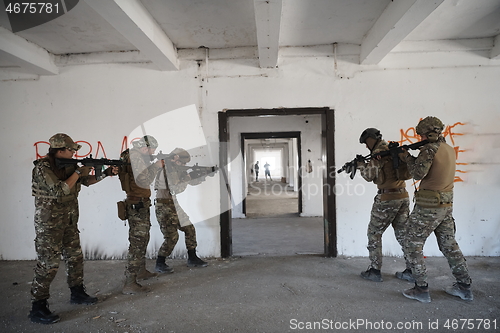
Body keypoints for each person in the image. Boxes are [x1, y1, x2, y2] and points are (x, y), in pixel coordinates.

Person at [30, 133, 118, 324]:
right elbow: (60, 189)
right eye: (70, 150)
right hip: (49, 225)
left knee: (75, 257)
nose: (73, 153)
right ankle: (38, 307)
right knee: (49, 264)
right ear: (59, 150)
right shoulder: (43, 168)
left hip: (69, 220)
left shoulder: (70, 166)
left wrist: (105, 173)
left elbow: (87, 182)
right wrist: (78, 172)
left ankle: (77, 293)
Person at [399, 116, 473, 303]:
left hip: (428, 207)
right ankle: (464, 287)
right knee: (449, 246)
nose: (420, 138)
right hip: (445, 206)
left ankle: (421, 289)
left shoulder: (429, 150)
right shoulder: (448, 149)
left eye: (422, 135)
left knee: (412, 244)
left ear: (429, 133)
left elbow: (417, 173)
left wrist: (407, 157)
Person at [356, 128, 413, 283]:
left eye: (366, 143)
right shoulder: (392, 149)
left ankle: (375, 271)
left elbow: (369, 176)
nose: (367, 147)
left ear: (370, 139)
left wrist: (361, 165)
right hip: (402, 196)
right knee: (403, 235)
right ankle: (412, 269)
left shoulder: (378, 154)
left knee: (374, 233)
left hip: (387, 198)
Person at [118, 135, 163, 295]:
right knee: (138, 242)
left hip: (138, 203)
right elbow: (143, 181)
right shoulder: (136, 158)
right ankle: (129, 283)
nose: (153, 153)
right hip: (137, 204)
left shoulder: (131, 155)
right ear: (145, 148)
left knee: (143, 238)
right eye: (152, 150)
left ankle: (141, 271)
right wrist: (156, 166)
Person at [154, 148, 208, 273]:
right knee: (172, 237)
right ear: (176, 159)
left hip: (173, 204)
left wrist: (200, 176)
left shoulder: (175, 169)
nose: (184, 166)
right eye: (183, 163)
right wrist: (189, 177)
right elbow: (176, 188)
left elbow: (187, 182)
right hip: (164, 206)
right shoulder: (166, 169)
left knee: (189, 228)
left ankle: (192, 258)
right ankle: (160, 262)